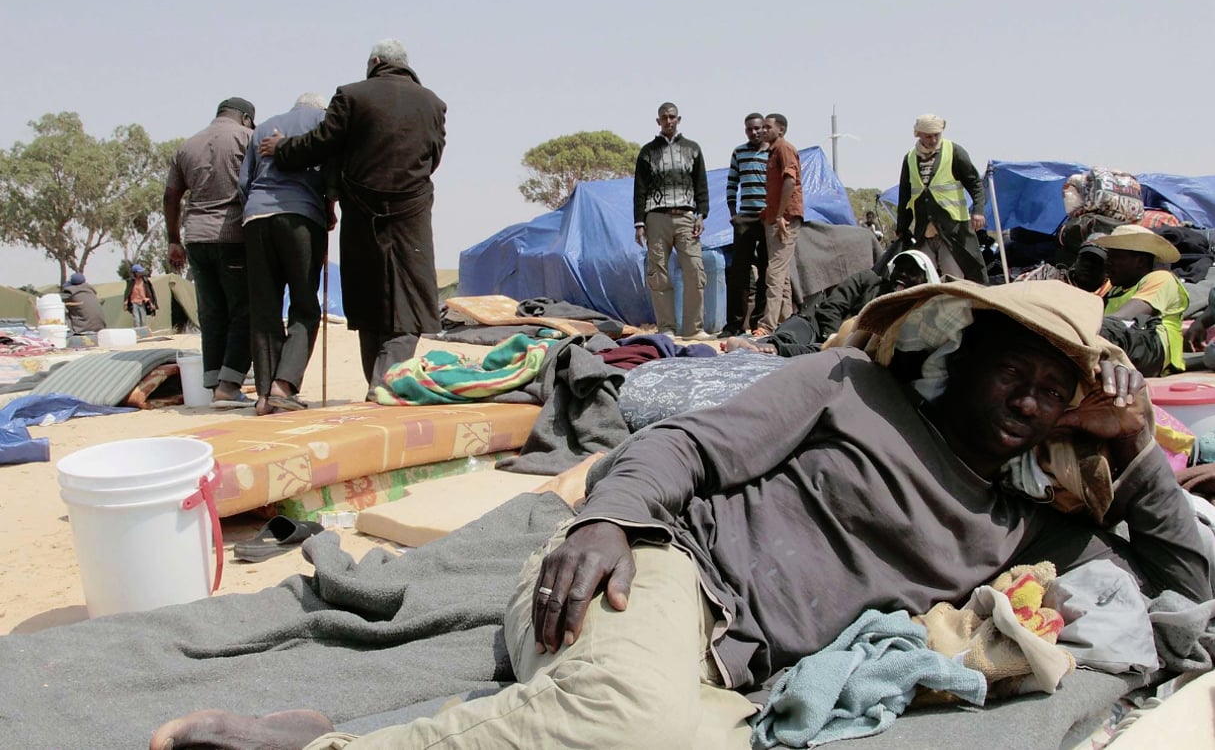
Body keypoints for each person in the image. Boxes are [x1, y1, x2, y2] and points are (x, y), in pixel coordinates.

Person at [151, 280, 1214, 750]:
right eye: (1014, 371)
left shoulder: (1018, 522)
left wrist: (1125, 440)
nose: (1029, 402)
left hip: (724, 672)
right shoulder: (852, 385)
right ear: (960, 352)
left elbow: (1187, 584)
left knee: (663, 735)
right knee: (632, 725)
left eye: (1054, 391)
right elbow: (686, 444)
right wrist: (608, 520)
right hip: (645, 577)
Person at [258, 40, 447, 400]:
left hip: (362, 211)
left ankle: (379, 383)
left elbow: (320, 144)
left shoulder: (351, 96)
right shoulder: (433, 103)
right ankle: (383, 383)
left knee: (368, 299)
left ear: (375, 62)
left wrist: (281, 148)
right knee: (411, 299)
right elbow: (433, 156)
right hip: (412, 214)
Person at [239, 93, 336, 416]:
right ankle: (284, 385)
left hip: (256, 218)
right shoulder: (324, 124)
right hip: (301, 218)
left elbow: (244, 183)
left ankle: (264, 396)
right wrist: (329, 208)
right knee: (305, 305)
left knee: (264, 308)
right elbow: (331, 175)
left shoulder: (263, 126)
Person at [164, 97, 257, 407]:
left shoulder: (187, 146)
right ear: (245, 118)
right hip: (233, 236)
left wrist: (173, 240)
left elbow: (171, 195)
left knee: (212, 312)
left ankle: (212, 381)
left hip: (196, 239)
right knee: (245, 312)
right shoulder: (247, 138)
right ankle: (229, 387)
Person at [726, 249, 939, 356]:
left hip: (840, 346)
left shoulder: (913, 312)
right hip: (815, 324)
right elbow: (831, 307)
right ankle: (763, 346)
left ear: (925, 280)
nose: (903, 275)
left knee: (808, 353)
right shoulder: (868, 280)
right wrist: (832, 337)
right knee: (790, 334)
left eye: (912, 273)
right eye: (900, 269)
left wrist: (838, 344)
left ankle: (766, 350)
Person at [633, 102, 711, 340]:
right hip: (656, 218)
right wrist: (639, 223)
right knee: (658, 273)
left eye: (672, 117)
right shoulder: (647, 151)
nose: (668, 121)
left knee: (695, 271)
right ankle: (666, 327)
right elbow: (640, 189)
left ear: (679, 119)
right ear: (658, 122)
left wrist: (702, 214)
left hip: (687, 217)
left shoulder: (692, 149)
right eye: (664, 118)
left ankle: (693, 329)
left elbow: (701, 184)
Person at [895, 114, 988, 283]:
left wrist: (979, 211)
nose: (933, 140)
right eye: (928, 136)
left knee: (954, 277)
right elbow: (905, 195)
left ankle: (962, 310)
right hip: (925, 231)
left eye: (936, 135)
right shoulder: (909, 158)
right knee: (923, 279)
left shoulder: (954, 151)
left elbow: (974, 183)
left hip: (952, 231)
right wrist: (902, 226)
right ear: (919, 134)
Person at [1093, 225, 1189, 377]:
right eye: (1108, 257)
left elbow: (1123, 317)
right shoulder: (1112, 288)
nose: (1107, 263)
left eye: (1115, 257)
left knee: (1105, 329)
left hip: (1153, 348)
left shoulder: (1161, 278)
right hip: (1120, 341)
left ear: (1140, 261)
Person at [753, 112, 802, 337]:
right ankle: (787, 323)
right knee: (781, 276)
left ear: (780, 130)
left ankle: (767, 325)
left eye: (767, 127)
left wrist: (781, 216)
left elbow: (790, 180)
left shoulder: (784, 149)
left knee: (774, 272)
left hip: (785, 219)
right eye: (761, 127)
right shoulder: (772, 152)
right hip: (773, 218)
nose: (763, 130)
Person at [721, 113, 769, 338]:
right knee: (739, 274)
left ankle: (758, 323)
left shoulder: (773, 151)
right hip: (745, 219)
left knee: (766, 272)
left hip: (767, 219)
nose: (754, 133)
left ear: (764, 128)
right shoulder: (739, 152)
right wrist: (734, 214)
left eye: (758, 128)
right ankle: (734, 325)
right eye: (750, 129)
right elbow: (731, 184)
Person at [1014, 240, 1111, 295]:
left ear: (1107, 270)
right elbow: (1018, 291)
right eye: (1085, 258)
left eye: (1096, 261)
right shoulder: (1047, 275)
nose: (1088, 265)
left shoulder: (1108, 296)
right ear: (1076, 260)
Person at [122, 264, 158, 328]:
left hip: (142, 303)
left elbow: (149, 293)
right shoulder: (131, 282)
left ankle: (143, 335)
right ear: (135, 273)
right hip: (134, 303)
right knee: (137, 320)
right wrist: (125, 303)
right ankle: (138, 335)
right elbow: (127, 293)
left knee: (143, 321)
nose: (141, 273)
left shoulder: (145, 281)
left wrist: (151, 303)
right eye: (139, 272)